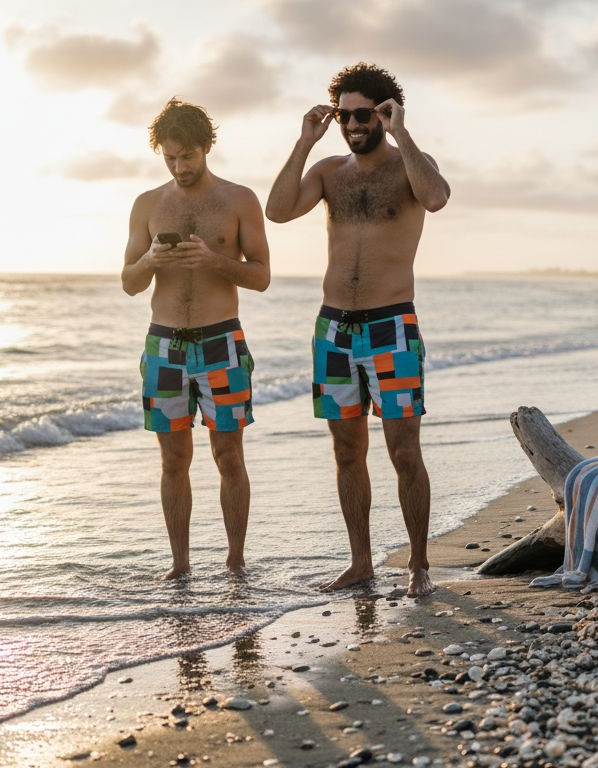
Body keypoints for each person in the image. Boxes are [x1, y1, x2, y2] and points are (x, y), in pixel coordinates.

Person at [265, 62, 450, 597]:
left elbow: (435, 197)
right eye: (344, 115)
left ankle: (418, 564)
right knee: (347, 452)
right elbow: (277, 211)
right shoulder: (328, 172)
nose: (352, 124)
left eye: (362, 114)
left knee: (403, 450)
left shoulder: (412, 165)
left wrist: (402, 133)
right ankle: (362, 561)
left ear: (385, 111)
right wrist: (303, 142)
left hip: (392, 325)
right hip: (333, 332)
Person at [121, 98, 272, 579]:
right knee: (173, 461)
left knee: (229, 456)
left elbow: (262, 276)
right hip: (164, 344)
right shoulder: (147, 204)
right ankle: (180, 565)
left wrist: (214, 262)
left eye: (187, 156)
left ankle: (235, 562)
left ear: (207, 147)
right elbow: (128, 281)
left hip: (221, 341)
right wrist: (150, 263)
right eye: (170, 157)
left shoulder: (239, 200)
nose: (179, 167)